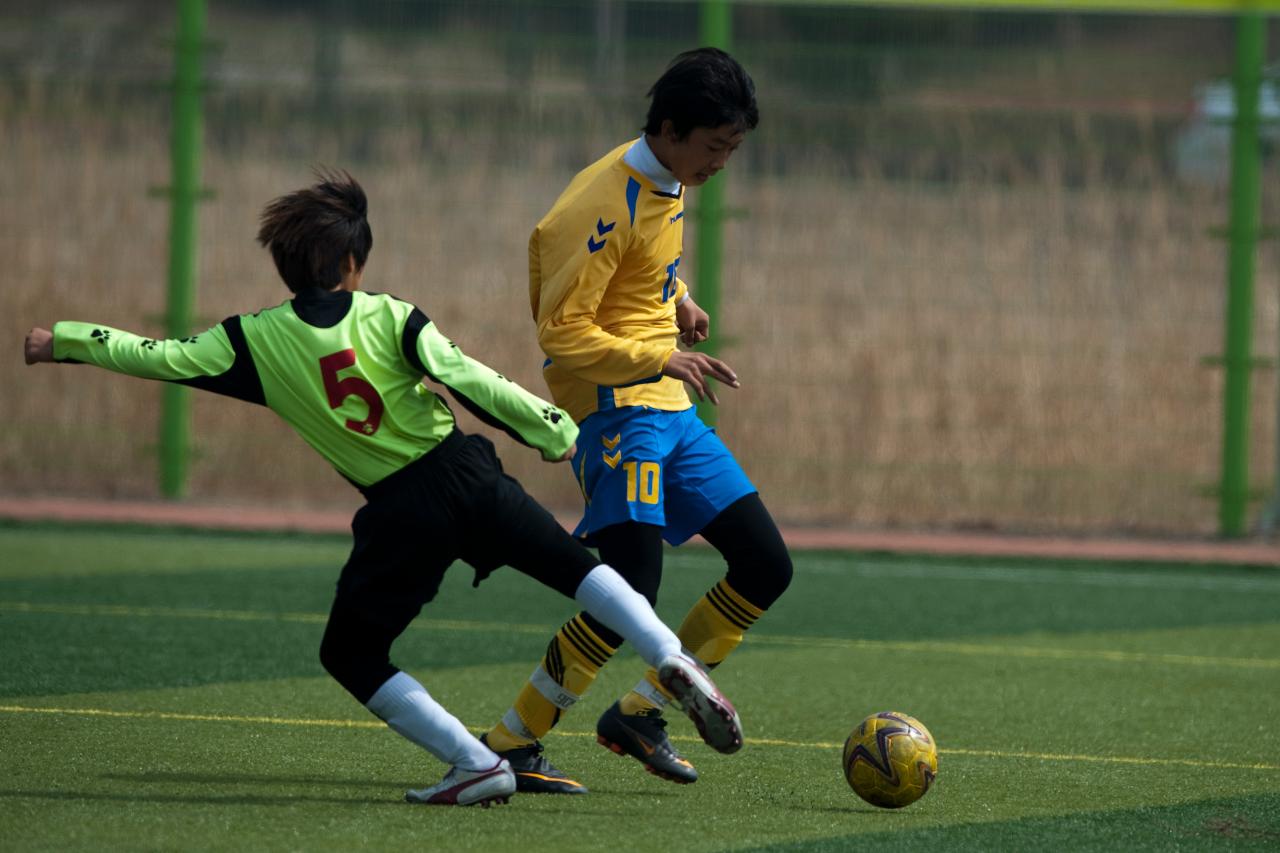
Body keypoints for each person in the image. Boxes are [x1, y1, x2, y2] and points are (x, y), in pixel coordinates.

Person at [22, 170, 743, 808]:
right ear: (351, 263)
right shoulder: (392, 314)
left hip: (402, 512)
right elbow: (471, 380)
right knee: (581, 571)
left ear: (284, 265)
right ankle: (667, 654)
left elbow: (159, 357)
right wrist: (555, 429)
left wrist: (63, 338)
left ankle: (476, 762)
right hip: (468, 472)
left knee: (352, 653)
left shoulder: (250, 340)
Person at [480, 48, 793, 793]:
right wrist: (655, 360)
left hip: (668, 404)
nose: (722, 162)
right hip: (617, 407)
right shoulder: (597, 202)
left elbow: (642, 264)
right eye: (716, 146)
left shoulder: (669, 176)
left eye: (733, 148)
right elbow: (561, 332)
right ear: (670, 127)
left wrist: (675, 297)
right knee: (629, 585)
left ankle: (641, 710)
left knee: (764, 564)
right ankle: (510, 740)